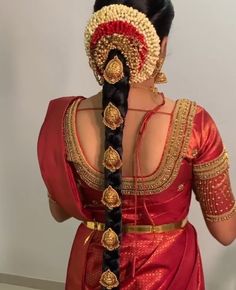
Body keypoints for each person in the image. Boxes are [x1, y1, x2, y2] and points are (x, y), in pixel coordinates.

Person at [37, 1, 236, 289]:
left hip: (90, 273)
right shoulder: (194, 124)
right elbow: (225, 232)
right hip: (169, 273)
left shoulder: (62, 120)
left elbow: (59, 212)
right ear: (162, 46)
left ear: (99, 42)